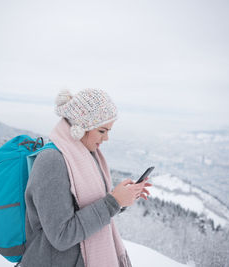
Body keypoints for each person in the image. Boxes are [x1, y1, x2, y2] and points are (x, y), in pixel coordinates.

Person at [20, 89, 152, 267]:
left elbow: (88, 208)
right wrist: (113, 202)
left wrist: (121, 200)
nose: (106, 138)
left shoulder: (86, 156)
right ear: (81, 127)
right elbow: (61, 236)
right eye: (102, 131)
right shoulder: (52, 161)